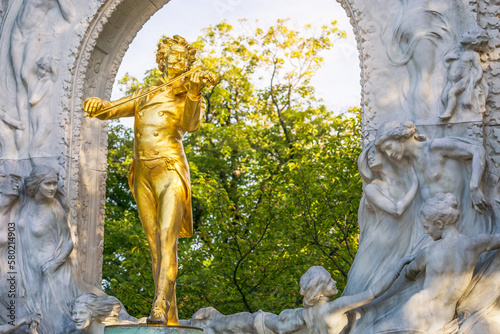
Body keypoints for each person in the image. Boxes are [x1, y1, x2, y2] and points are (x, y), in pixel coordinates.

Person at [82, 35, 216, 325]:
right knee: (154, 245)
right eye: (173, 56)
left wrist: (194, 92)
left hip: (169, 168)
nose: (178, 62)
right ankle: (170, 318)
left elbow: (191, 125)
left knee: (168, 240)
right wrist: (96, 105)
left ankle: (159, 303)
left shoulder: (188, 93)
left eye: (183, 58)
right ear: (163, 60)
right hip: (142, 172)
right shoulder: (144, 93)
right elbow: (111, 109)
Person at [370, 193, 500, 333]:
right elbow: (496, 239)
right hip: (444, 318)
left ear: (439, 224)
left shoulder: (427, 253)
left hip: (415, 312)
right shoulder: (475, 244)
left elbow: (409, 273)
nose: (426, 232)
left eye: (427, 227)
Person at [374, 120, 490, 236]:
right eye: (385, 151)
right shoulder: (409, 165)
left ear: (400, 138)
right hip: (433, 229)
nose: (389, 154)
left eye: (388, 147)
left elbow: (476, 150)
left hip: (460, 221)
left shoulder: (434, 147)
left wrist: (474, 187)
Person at [343, 142, 422, 295]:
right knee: (359, 290)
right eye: (367, 156)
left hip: (400, 243)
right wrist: (414, 184)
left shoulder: (404, 181)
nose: (370, 157)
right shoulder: (372, 188)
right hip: (377, 245)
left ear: (387, 153)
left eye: (373, 152)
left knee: (392, 291)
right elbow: (397, 209)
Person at [262, 257, 413, 334]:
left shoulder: (305, 315)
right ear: (318, 291)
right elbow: (373, 292)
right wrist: (398, 265)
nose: (334, 282)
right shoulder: (335, 307)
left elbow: (281, 328)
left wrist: (262, 319)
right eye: (328, 281)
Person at [440, 25, 489, 120]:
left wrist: (476, 80)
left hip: (462, 81)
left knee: (452, 93)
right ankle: (450, 109)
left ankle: (449, 112)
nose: (464, 33)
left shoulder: (473, 54)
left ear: (474, 41)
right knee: (443, 97)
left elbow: (478, 68)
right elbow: (447, 65)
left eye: (468, 33)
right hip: (451, 81)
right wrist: (447, 58)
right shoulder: (457, 51)